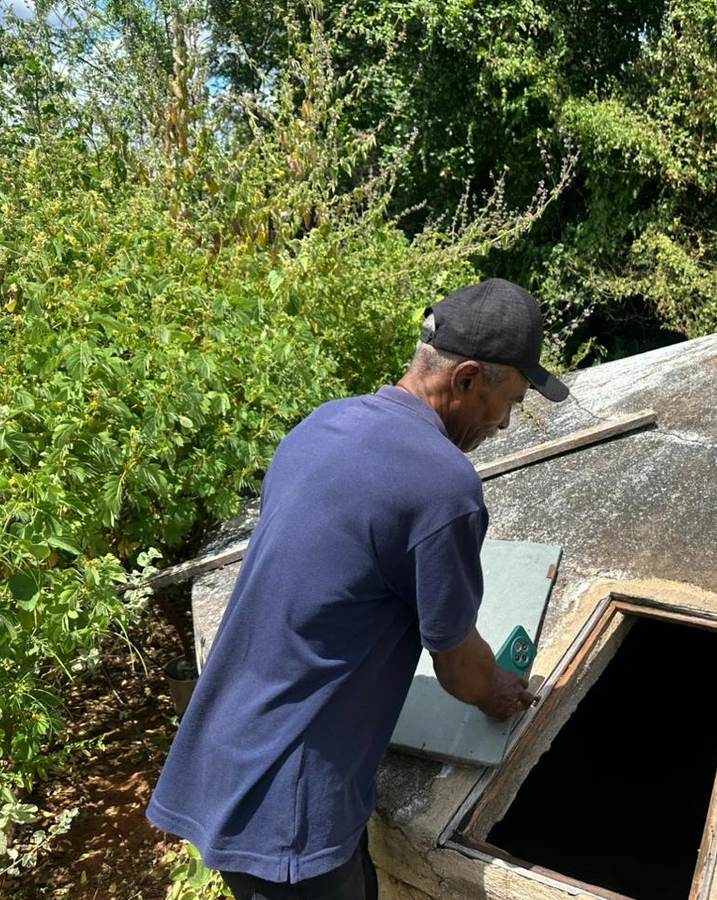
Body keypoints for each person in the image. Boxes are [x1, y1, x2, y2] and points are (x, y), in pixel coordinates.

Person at [147, 278, 569, 900]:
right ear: (467, 378)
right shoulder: (442, 487)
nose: (504, 424)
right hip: (288, 816)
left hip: (222, 759)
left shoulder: (324, 424)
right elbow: (458, 669)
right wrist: (495, 690)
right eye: (508, 401)